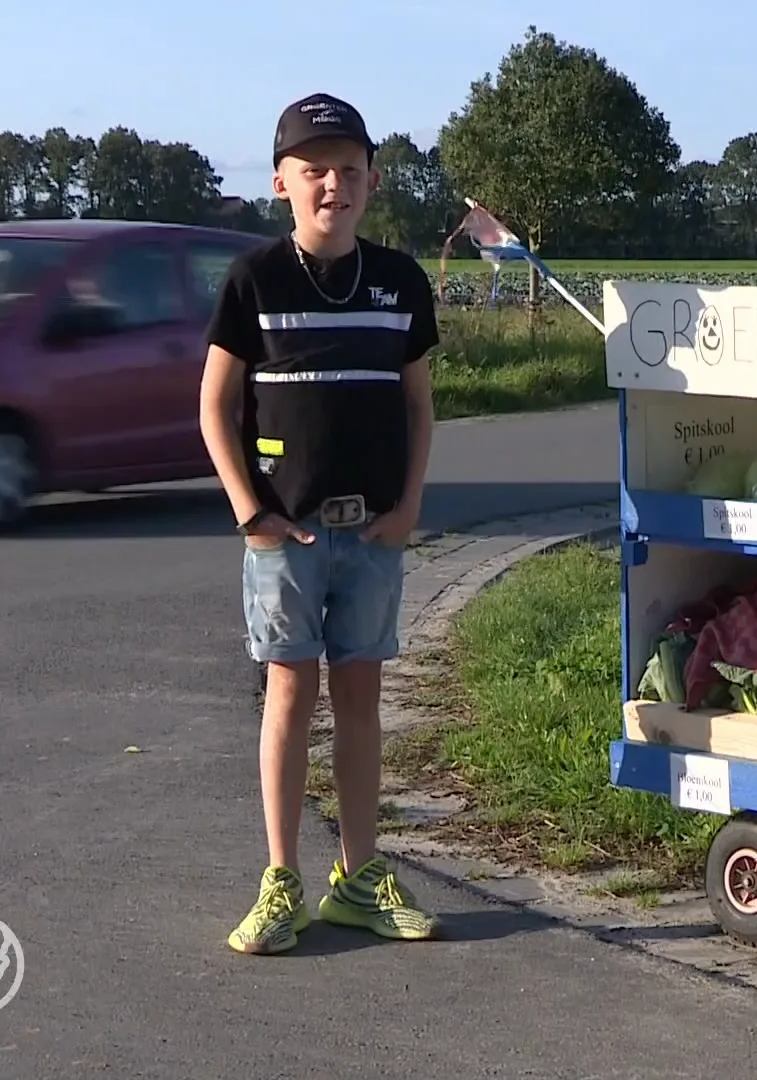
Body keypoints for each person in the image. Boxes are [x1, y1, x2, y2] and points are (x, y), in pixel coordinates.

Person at [199, 91, 441, 954]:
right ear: (282, 182)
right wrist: (250, 512)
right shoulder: (254, 280)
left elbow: (418, 405)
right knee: (290, 696)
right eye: (314, 171)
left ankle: (359, 878)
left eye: (348, 169)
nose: (332, 184)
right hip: (286, 536)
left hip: (372, 533)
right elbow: (214, 405)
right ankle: (281, 880)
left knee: (362, 702)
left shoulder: (400, 282)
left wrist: (409, 505)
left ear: (371, 179)